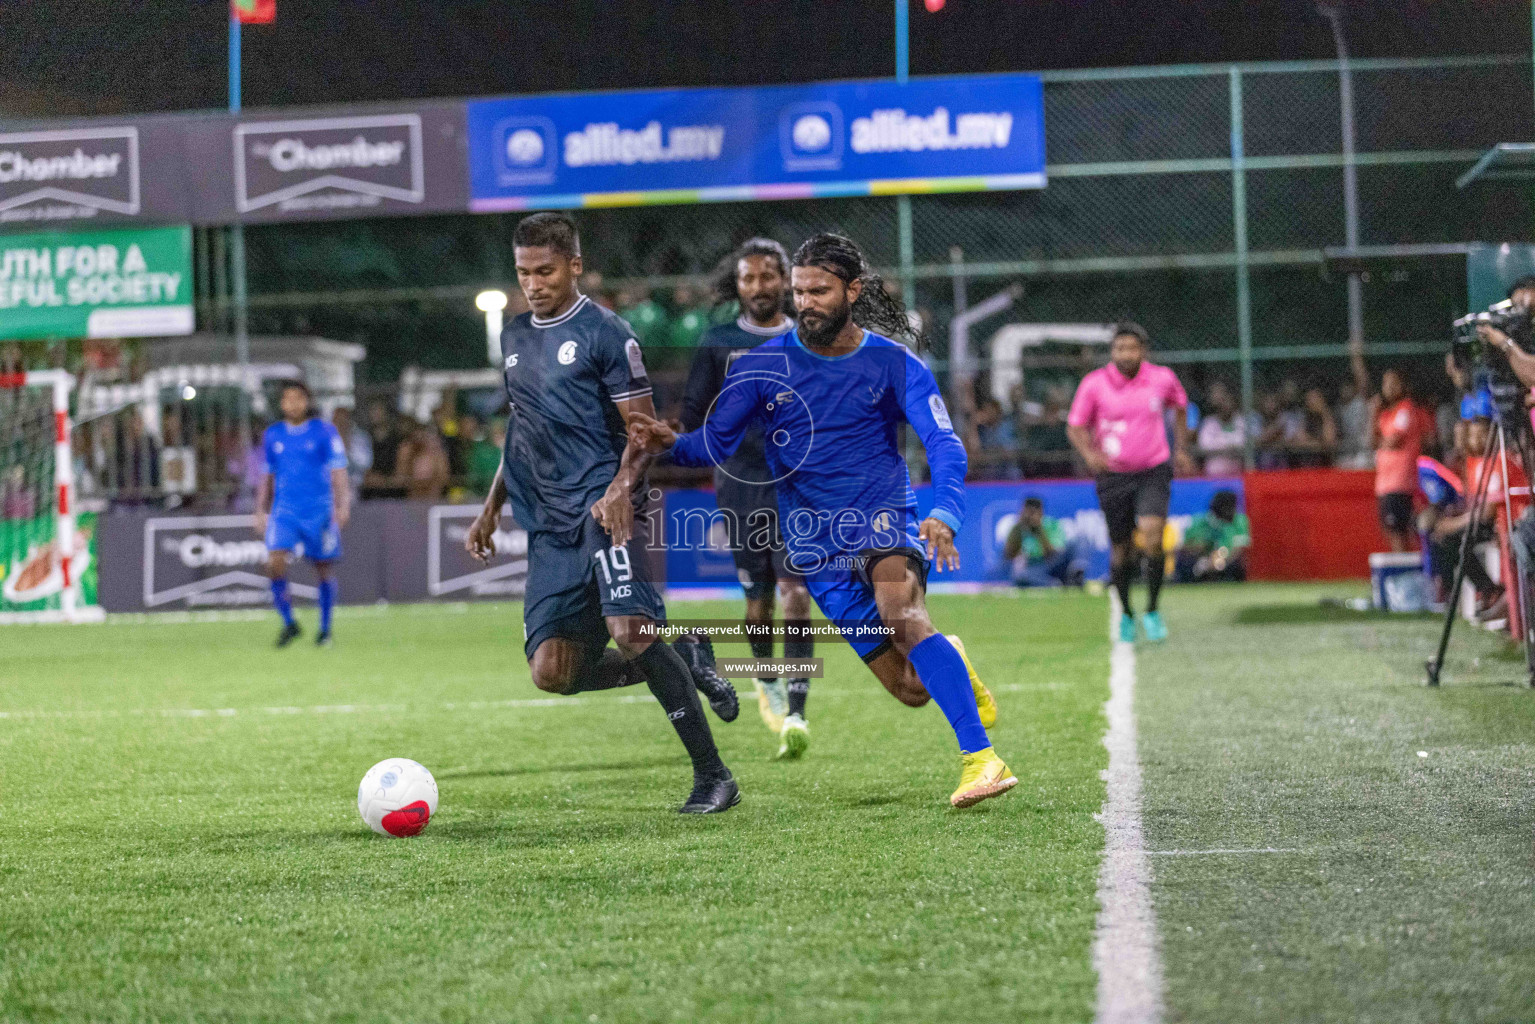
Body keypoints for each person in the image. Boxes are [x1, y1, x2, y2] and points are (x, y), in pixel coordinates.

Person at [628, 232, 1014, 809]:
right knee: (910, 689)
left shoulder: (894, 363)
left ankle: (981, 760)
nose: (805, 303)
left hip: (884, 520)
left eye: (820, 291)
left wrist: (945, 511)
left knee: (902, 614)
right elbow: (713, 444)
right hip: (814, 547)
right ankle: (948, 655)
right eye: (800, 291)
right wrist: (669, 444)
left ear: (853, 291)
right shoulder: (762, 366)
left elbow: (943, 442)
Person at [463, 212, 740, 815]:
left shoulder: (607, 334)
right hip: (549, 524)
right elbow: (523, 429)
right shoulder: (514, 336)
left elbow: (643, 432)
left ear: (575, 266)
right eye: (523, 273)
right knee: (553, 672)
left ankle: (713, 776)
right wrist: (491, 507)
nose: (533, 284)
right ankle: (688, 653)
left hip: (607, 507)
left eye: (545, 271)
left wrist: (619, 488)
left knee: (630, 632)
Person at [680, 238, 816, 756]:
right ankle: (767, 679)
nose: (759, 287)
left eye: (768, 276)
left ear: (785, 280)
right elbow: (693, 416)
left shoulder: (809, 339)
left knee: (796, 596)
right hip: (739, 484)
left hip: (797, 485)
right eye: (749, 278)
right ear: (736, 285)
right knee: (758, 604)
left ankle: (798, 711)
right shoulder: (718, 341)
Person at [1066, 322, 1194, 643]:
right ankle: (1126, 613)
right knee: (1121, 550)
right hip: (1113, 475)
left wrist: (1180, 447)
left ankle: (1151, 610)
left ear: (1143, 351)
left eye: (1132, 348)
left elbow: (1181, 406)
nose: (1125, 354)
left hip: (1153, 469)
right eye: (1120, 348)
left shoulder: (1162, 379)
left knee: (1152, 538)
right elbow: (1075, 426)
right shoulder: (1095, 384)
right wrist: (1090, 454)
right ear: (1112, 352)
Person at [255, 381, 349, 648]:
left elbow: (339, 470)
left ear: (307, 402)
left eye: (298, 398)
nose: (293, 404)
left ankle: (325, 629)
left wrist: (342, 505)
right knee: (274, 563)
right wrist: (261, 508)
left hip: (318, 510)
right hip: (284, 510)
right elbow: (267, 474)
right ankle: (288, 623)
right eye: (288, 399)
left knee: (323, 569)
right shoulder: (273, 435)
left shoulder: (324, 432)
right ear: (282, 403)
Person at [1353, 348, 1435, 552]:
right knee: (1391, 531)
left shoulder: (1406, 409)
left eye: (1393, 383)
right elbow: (1372, 441)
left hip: (1401, 482)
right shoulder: (1386, 414)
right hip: (1386, 484)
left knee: (1401, 531)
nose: (1388, 388)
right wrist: (1373, 415)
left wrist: (1380, 440)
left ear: (1403, 386)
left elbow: (1392, 441)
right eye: (1385, 384)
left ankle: (1409, 575)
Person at [1003, 497, 1085, 587]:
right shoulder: (1017, 528)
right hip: (1035, 566)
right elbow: (1008, 555)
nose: (1030, 516)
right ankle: (1054, 584)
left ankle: (1077, 574)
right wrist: (1019, 528)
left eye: (1033, 512)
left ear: (1041, 512)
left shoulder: (1051, 524)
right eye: (1027, 512)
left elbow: (1053, 553)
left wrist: (1038, 529)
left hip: (1052, 562)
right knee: (1021, 577)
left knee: (1079, 540)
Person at [1174, 490, 1250, 583]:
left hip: (1227, 561)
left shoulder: (1239, 520)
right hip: (1199, 561)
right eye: (1229, 507)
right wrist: (1199, 549)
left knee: (1237, 566)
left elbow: (1239, 549)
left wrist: (1221, 560)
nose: (1233, 511)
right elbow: (1182, 548)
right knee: (1186, 564)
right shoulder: (1199, 522)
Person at [1196, 381, 1246, 476]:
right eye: (1221, 403)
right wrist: (1230, 447)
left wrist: (1222, 446)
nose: (1225, 406)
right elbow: (1204, 446)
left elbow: (1244, 443)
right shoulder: (1209, 423)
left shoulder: (1241, 421)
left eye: (1227, 401)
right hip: (1213, 475)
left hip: (1238, 475)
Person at [331, 406, 373, 498]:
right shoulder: (325, 441)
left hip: (356, 489)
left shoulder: (361, 438)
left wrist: (347, 445)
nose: (341, 423)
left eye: (343, 420)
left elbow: (366, 465)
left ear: (349, 420)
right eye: (338, 420)